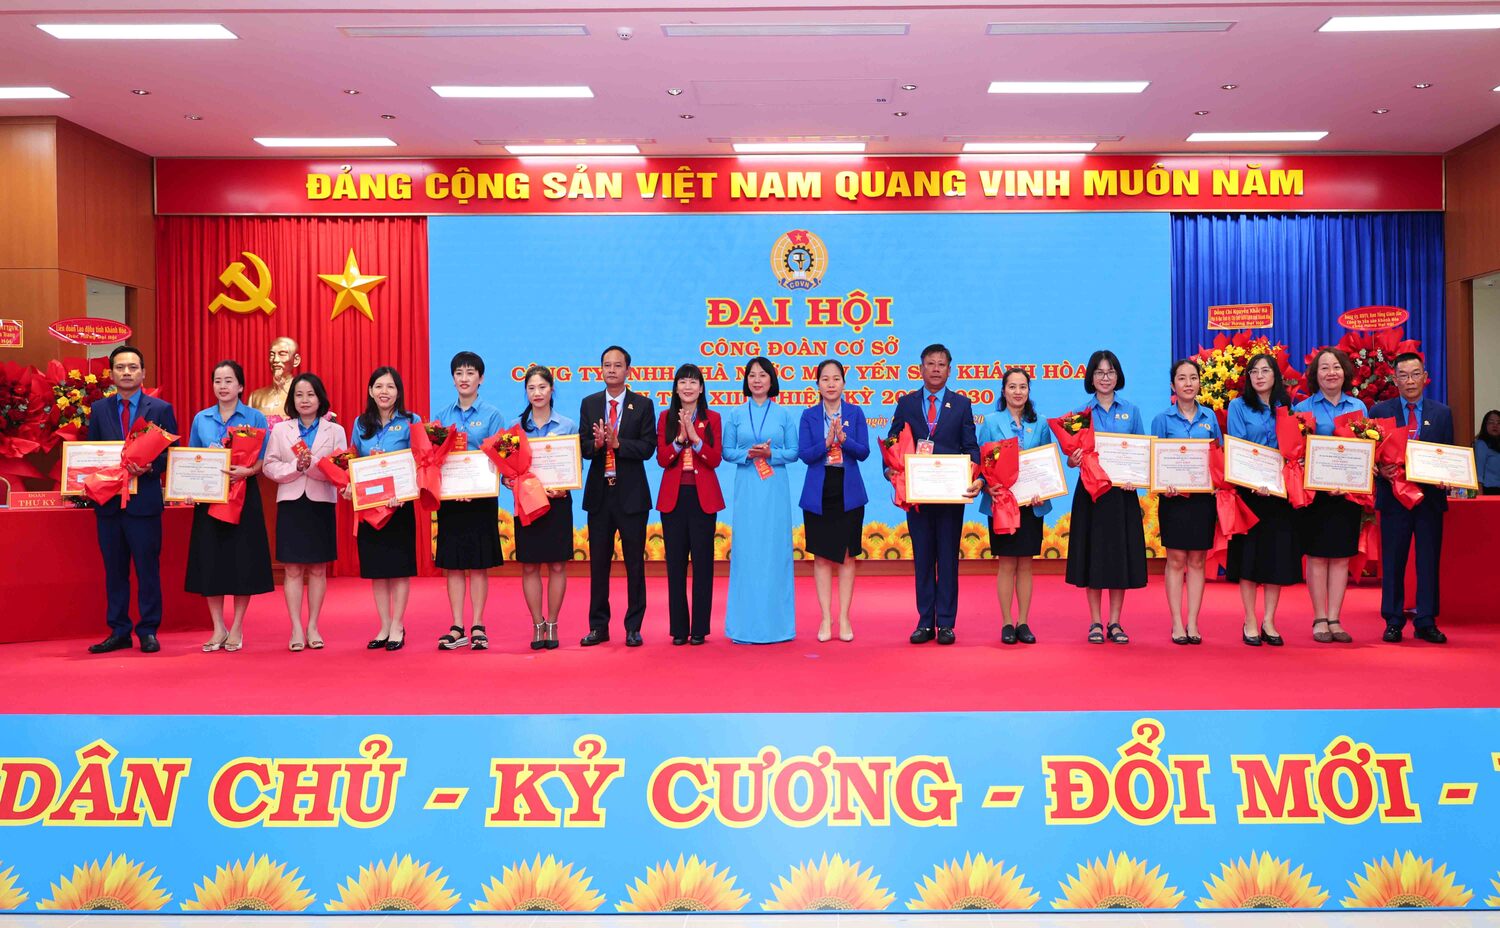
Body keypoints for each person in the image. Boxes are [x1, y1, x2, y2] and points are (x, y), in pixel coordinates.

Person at [886, 344, 983, 645]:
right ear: (920, 368)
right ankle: (925, 622)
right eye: (931, 363)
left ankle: (947, 623)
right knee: (924, 558)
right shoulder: (906, 403)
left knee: (948, 559)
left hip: (951, 496)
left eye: (942, 364)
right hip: (918, 496)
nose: (936, 369)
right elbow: (892, 441)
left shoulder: (962, 404)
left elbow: (971, 447)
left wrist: (975, 476)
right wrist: (890, 472)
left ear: (949, 370)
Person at [87, 345, 179, 654]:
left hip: (144, 504)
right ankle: (119, 630)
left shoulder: (160, 409)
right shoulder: (99, 410)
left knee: (147, 569)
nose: (127, 372)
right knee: (115, 571)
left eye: (133, 367)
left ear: (143, 373)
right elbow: (91, 452)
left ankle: (148, 630)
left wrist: (151, 467)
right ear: (111, 374)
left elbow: (171, 455)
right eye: (120, 367)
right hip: (110, 504)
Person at [183, 360, 275, 652]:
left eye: (228, 381)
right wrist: (188, 488)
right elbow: (193, 458)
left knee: (242, 561)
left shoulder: (254, 418)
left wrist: (249, 471)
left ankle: (236, 627)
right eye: (218, 381)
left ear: (240, 386)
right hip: (210, 498)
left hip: (243, 496)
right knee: (210, 561)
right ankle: (217, 627)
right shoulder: (202, 418)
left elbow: (264, 458)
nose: (222, 386)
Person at [1065, 349, 1148, 644]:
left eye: (1110, 372)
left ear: (1118, 376)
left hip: (1122, 494)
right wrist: (1073, 460)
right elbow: (1071, 459)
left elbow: (1141, 452)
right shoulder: (1080, 414)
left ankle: (1115, 622)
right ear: (1091, 377)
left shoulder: (1132, 411)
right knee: (1094, 555)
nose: (1105, 378)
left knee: (1119, 556)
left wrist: (1136, 478)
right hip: (1091, 493)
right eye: (1099, 372)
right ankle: (1095, 622)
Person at [1372, 352, 1454, 644]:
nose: (1410, 381)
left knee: (1428, 561)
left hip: (1429, 499)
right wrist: (1379, 469)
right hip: (1393, 498)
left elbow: (1448, 454)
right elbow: (1370, 456)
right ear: (1395, 379)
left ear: (1425, 377)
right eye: (1403, 375)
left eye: (1415, 374)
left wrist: (1448, 476)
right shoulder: (1380, 411)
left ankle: (1426, 620)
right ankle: (1393, 621)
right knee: (1393, 562)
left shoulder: (1442, 413)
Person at [579, 346, 657, 647]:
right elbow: (583, 447)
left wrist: (618, 443)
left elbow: (648, 448)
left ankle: (633, 626)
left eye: (617, 365)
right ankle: (598, 626)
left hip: (631, 497)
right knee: (599, 564)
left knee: (634, 564)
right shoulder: (590, 404)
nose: (611, 370)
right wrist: (598, 445)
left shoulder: (643, 404)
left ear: (628, 370)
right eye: (606, 365)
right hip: (600, 496)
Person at [263, 372, 345, 651]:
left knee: (319, 569)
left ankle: (313, 626)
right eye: (299, 395)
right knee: (293, 569)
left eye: (311, 394)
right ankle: (296, 627)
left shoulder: (335, 430)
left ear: (320, 398)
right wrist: (294, 467)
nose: (305, 400)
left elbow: (339, 470)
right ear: (292, 400)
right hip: (291, 502)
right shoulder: (280, 430)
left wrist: (311, 464)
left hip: (321, 503)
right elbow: (269, 466)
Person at [1224, 352, 1301, 647]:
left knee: (1274, 559)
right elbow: (1239, 447)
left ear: (1275, 376)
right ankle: (1250, 620)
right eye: (1254, 371)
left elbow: (1293, 449)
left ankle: (1269, 620)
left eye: (1265, 370)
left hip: (1279, 495)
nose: (1259, 376)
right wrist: (1255, 481)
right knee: (1249, 559)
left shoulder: (1287, 407)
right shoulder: (1238, 406)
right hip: (1249, 494)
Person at [433, 351, 507, 653]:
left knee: (477, 564)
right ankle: (456, 626)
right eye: (459, 373)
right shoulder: (441, 416)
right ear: (453, 379)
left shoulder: (493, 415)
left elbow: (500, 457)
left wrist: (475, 487)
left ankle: (477, 624)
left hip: (480, 500)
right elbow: (434, 458)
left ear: (481, 378)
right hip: (451, 500)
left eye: (470, 373)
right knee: (452, 565)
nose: (464, 378)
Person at [1293, 347, 1366, 644]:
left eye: (1335, 367)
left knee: (1340, 557)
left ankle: (1335, 618)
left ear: (1344, 372)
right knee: (1317, 556)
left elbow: (1366, 450)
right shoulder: (1303, 408)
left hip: (1348, 493)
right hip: (1316, 494)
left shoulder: (1359, 407)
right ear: (1315, 374)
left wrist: (1351, 481)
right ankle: (1319, 617)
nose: (1331, 373)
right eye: (1324, 368)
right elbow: (1296, 453)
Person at [723, 356, 799, 643]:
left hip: (775, 487)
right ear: (746, 380)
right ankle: (743, 626)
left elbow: (794, 451)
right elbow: (726, 451)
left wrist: (771, 454)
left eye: (763, 375)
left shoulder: (783, 414)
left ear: (771, 380)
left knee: (775, 552)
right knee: (747, 553)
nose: (757, 380)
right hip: (747, 485)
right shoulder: (736, 414)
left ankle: (778, 627)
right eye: (752, 375)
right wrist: (748, 454)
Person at [977, 368, 1053, 645]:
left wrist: (1044, 490)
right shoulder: (990, 422)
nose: (1018, 392)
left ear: (1029, 391)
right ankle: (1007, 622)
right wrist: (987, 486)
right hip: (1001, 503)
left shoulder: (1040, 423)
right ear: (1003, 390)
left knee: (1026, 564)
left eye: (1023, 387)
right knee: (1007, 563)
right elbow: (981, 462)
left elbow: (1046, 462)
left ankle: (1023, 622)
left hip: (1031, 504)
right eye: (1012, 387)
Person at [347, 366, 419, 651]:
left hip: (399, 506)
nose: (384, 392)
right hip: (370, 507)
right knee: (377, 570)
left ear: (398, 392)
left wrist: (405, 494)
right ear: (370, 391)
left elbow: (419, 460)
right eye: (378, 386)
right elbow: (353, 458)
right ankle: (384, 625)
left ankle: (398, 625)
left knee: (399, 569)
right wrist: (349, 484)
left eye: (390, 386)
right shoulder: (360, 423)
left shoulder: (411, 421)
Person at [1150, 359, 1222, 645]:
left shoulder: (1210, 417)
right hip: (1174, 500)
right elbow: (1155, 461)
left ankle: (1193, 621)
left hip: (1203, 500)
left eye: (1193, 378)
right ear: (1173, 385)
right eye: (1182, 378)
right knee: (1176, 559)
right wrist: (1162, 485)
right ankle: (1177, 622)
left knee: (1198, 560)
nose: (1188, 383)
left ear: (1200, 383)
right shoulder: (1162, 420)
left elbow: (1218, 455)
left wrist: (1217, 481)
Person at [797, 359, 869, 642]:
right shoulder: (809, 416)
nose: (830, 384)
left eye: (836, 379)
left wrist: (843, 439)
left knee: (848, 556)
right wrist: (827, 443)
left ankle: (845, 618)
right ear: (817, 384)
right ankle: (826, 618)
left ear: (843, 383)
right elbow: (805, 454)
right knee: (822, 557)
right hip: (819, 490)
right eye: (825, 379)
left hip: (848, 491)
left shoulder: (855, 412)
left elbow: (863, 452)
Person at [657, 363, 724, 646]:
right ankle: (679, 629)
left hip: (702, 499)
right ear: (675, 388)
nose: (687, 387)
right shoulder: (665, 417)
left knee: (703, 564)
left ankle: (699, 628)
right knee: (675, 565)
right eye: (682, 382)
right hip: (673, 499)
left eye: (693, 382)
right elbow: (662, 459)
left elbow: (715, 459)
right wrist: (679, 440)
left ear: (701, 388)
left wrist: (695, 439)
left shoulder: (713, 418)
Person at [515, 365, 577, 650]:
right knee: (529, 566)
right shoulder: (515, 428)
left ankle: (552, 622)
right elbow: (508, 470)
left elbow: (575, 466)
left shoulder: (567, 426)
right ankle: (536, 623)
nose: (537, 393)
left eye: (542, 387)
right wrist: (509, 479)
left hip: (558, 503)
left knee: (557, 564)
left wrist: (565, 487)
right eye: (531, 388)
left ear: (552, 389)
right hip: (527, 504)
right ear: (526, 392)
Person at [246, 336, 302, 421]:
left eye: (282, 354)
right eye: (272, 355)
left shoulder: (303, 396)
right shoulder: (255, 397)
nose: (275, 360)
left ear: (296, 360)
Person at [1477, 410, 1500, 494]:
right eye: (1491, 422)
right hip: (1489, 489)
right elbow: (1479, 472)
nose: (1495, 425)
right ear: (1485, 425)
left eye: (1498, 423)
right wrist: (1480, 495)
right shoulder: (1482, 444)